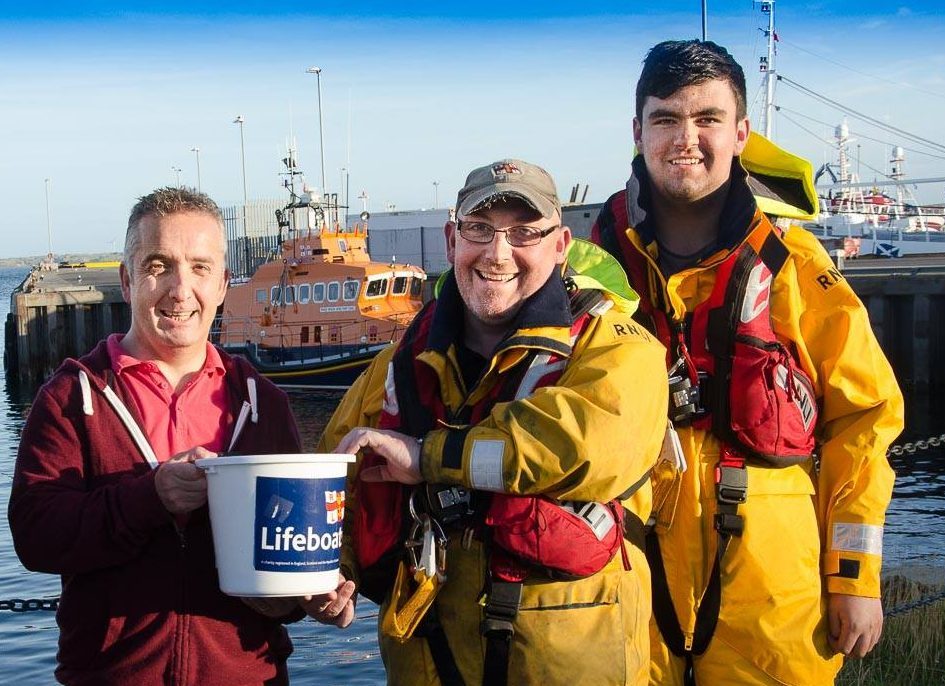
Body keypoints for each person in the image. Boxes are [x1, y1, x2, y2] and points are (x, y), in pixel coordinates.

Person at [590, 40, 904, 686]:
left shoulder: (795, 264)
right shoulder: (591, 268)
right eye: (666, 119)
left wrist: (853, 577)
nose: (687, 138)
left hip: (772, 607)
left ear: (741, 133)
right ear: (637, 132)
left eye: (706, 119)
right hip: (624, 585)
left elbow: (865, 419)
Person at [309, 159, 669, 684]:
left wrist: (428, 457)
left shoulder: (614, 347)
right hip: (429, 661)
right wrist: (329, 574)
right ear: (452, 239)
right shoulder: (401, 363)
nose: (498, 253)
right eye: (479, 230)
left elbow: (586, 444)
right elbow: (330, 469)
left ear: (561, 245)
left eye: (524, 232)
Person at [7, 187, 351, 685]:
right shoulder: (71, 398)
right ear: (127, 281)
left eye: (200, 267)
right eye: (158, 265)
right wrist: (150, 496)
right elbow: (35, 538)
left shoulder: (263, 403)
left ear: (224, 283)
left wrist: (312, 596)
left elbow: (280, 571)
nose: (180, 288)